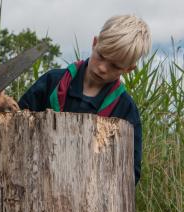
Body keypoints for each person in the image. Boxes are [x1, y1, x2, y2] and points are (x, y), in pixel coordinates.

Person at [18, 15, 151, 185]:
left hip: (92, 199)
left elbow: (131, 173)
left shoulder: (125, 109)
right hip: (35, 183)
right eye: (101, 56)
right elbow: (16, 125)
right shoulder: (52, 82)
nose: (102, 68)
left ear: (129, 69)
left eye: (115, 66)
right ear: (95, 42)